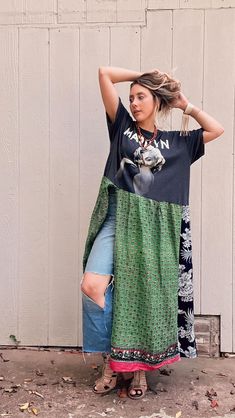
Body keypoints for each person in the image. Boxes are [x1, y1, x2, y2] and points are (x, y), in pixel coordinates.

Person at [81, 67, 224, 400]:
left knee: (145, 298)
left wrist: (184, 105)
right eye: (131, 97)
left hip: (155, 227)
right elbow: (102, 73)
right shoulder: (122, 129)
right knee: (92, 287)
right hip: (119, 218)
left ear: (157, 101)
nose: (133, 102)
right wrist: (144, 75)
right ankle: (114, 361)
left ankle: (140, 370)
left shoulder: (178, 143)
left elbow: (216, 129)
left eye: (141, 96)